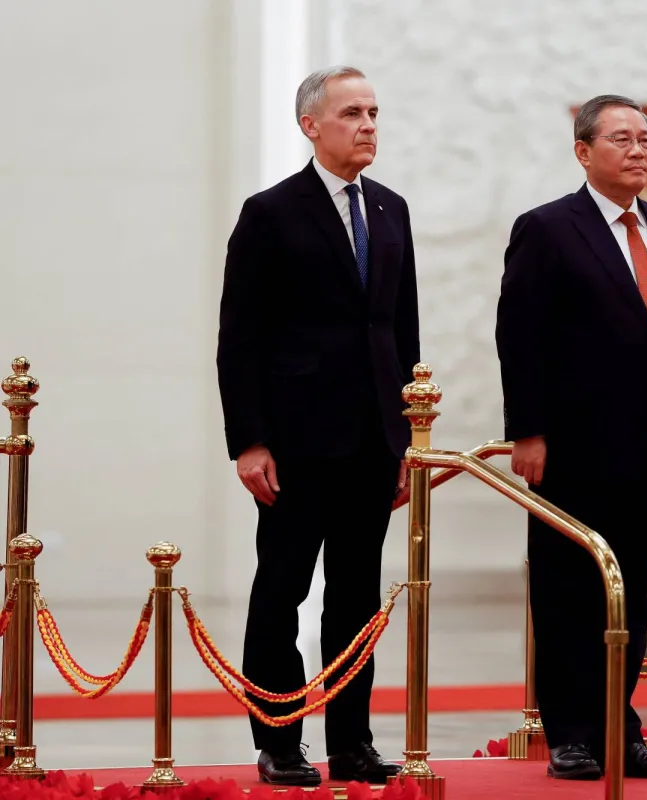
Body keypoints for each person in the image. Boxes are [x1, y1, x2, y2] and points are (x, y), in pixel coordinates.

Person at [495, 94, 647, 781]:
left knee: (629, 596)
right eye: (622, 139)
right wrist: (527, 431)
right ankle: (571, 736)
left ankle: (620, 729)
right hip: (568, 447)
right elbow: (520, 338)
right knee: (568, 593)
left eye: (646, 139)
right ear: (583, 152)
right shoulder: (548, 229)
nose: (640, 150)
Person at [216, 66, 420, 787]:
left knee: (357, 600)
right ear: (311, 125)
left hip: (372, 443)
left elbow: (402, 333)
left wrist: (407, 441)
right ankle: (277, 741)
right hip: (296, 445)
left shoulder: (390, 210)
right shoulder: (271, 213)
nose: (368, 125)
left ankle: (352, 743)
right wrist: (250, 441)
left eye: (374, 112)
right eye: (351, 113)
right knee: (282, 591)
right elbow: (240, 338)